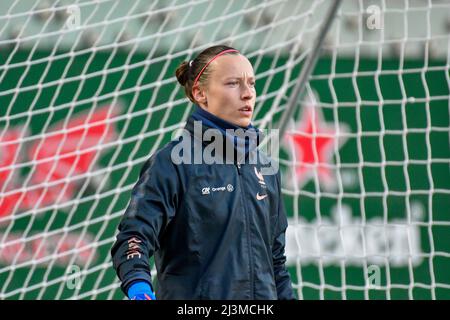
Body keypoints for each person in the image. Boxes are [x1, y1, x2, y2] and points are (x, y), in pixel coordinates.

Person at [110, 45, 295, 300]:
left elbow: (276, 264)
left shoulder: (266, 168)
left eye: (251, 83)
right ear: (200, 93)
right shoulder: (173, 163)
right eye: (233, 83)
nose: (247, 94)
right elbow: (133, 237)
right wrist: (139, 288)